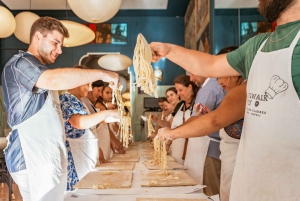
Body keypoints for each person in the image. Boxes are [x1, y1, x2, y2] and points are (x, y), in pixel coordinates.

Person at [152, 1, 300, 199]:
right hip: (251, 178)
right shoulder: (259, 45)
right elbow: (211, 65)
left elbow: (216, 119)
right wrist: (168, 50)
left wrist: (172, 133)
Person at [1, 17, 119, 201]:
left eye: (61, 45)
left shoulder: (42, 73)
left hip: (47, 158)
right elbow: (53, 79)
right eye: (55, 43)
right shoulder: (20, 64)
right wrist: (102, 73)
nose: (60, 50)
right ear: (38, 37)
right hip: (30, 158)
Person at [59, 73, 119, 191]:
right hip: (76, 159)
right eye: (88, 84)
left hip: (86, 157)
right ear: (76, 82)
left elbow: (92, 123)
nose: (90, 88)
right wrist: (106, 113)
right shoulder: (66, 98)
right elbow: (79, 123)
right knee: (79, 193)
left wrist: (112, 117)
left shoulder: (81, 101)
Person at [183, 73, 225, 195]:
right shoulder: (206, 87)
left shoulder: (210, 88)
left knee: (210, 191)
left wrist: (172, 134)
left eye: (192, 73)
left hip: (210, 149)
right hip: (207, 149)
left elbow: (197, 121)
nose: (191, 79)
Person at [169, 75, 198, 165]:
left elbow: (195, 123)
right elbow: (170, 126)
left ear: (189, 87)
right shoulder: (180, 105)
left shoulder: (197, 104)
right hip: (177, 150)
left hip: (193, 151)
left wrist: (173, 133)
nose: (178, 94)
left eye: (180, 90)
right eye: (177, 91)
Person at [95, 82, 126, 158]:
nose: (110, 95)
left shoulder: (103, 106)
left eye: (111, 93)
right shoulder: (100, 106)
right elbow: (106, 127)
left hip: (106, 139)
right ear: (101, 93)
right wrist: (116, 142)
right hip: (102, 140)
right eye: (107, 93)